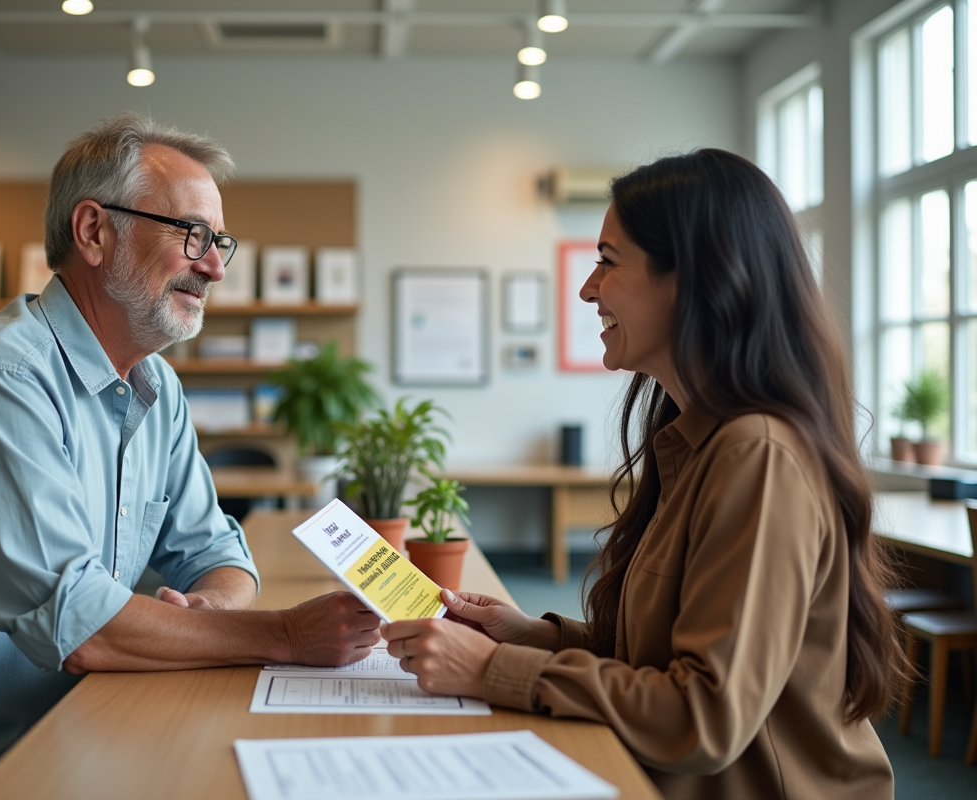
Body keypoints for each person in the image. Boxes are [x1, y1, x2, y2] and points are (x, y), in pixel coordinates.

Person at [0, 113, 380, 800]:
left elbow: (220, 552)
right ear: (95, 232)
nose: (216, 267)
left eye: (220, 242)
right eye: (193, 235)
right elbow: (79, 623)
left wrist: (202, 616)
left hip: (61, 730)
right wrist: (281, 635)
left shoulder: (156, 384)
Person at [382, 149, 904, 799]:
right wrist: (534, 638)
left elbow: (704, 718)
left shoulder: (758, 456)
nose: (587, 288)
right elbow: (661, 661)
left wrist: (495, 670)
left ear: (692, 278)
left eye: (607, 260)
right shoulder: (700, 443)